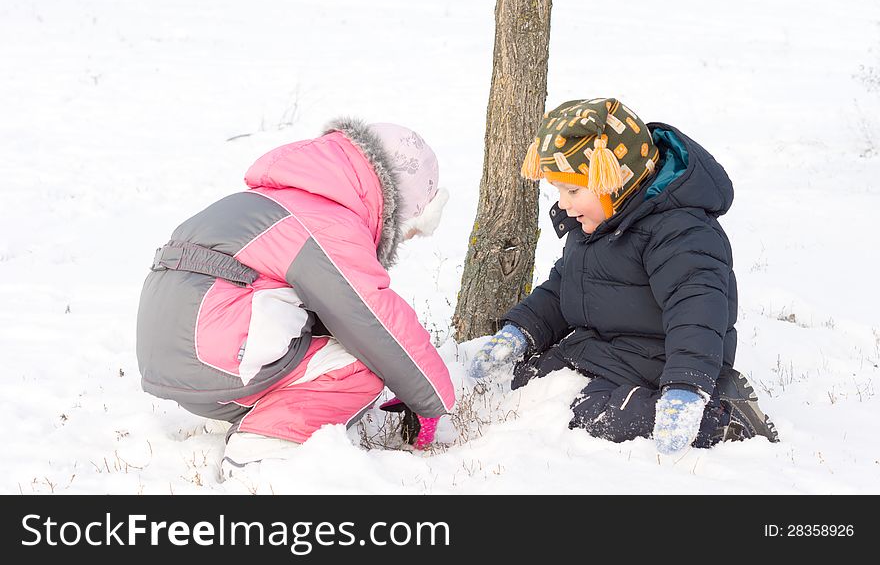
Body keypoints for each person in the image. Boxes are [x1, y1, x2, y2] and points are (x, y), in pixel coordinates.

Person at [136, 118, 454, 479]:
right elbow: (372, 318)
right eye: (408, 230)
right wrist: (431, 399)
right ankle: (262, 446)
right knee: (364, 364)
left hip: (166, 351)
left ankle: (257, 408)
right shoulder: (327, 222)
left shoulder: (276, 199)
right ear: (395, 204)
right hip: (212, 354)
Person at [469, 98, 779, 454]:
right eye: (558, 190)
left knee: (599, 416)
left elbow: (697, 311)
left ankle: (725, 419)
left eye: (573, 190)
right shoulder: (594, 222)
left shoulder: (679, 231)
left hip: (661, 362)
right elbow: (562, 288)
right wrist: (520, 330)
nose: (564, 204)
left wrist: (685, 386)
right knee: (528, 380)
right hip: (604, 351)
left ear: (616, 181)